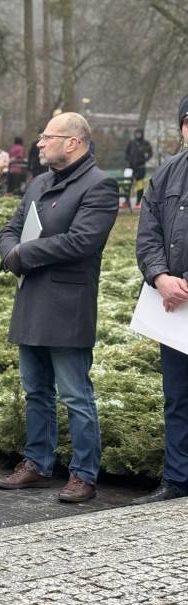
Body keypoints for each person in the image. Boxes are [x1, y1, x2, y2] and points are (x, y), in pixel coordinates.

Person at [0, 113, 119, 503]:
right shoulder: (39, 182)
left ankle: (84, 474)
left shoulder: (101, 186)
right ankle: (37, 464)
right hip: (31, 299)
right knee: (35, 391)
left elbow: (80, 241)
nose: (40, 143)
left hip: (68, 306)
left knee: (75, 395)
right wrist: (11, 253)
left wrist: (22, 254)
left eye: (48, 137)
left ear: (73, 142)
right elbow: (9, 230)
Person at [130, 93, 188, 505]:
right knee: (177, 396)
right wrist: (160, 276)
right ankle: (177, 479)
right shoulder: (168, 172)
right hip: (173, 310)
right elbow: (147, 232)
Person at [125, 128, 153, 208]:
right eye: (137, 133)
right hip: (130, 167)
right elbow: (126, 153)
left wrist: (144, 159)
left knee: (139, 185)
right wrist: (129, 160)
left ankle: (138, 202)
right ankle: (126, 201)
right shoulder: (131, 143)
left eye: (139, 133)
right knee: (127, 184)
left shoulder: (145, 143)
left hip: (140, 167)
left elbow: (150, 153)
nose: (138, 135)